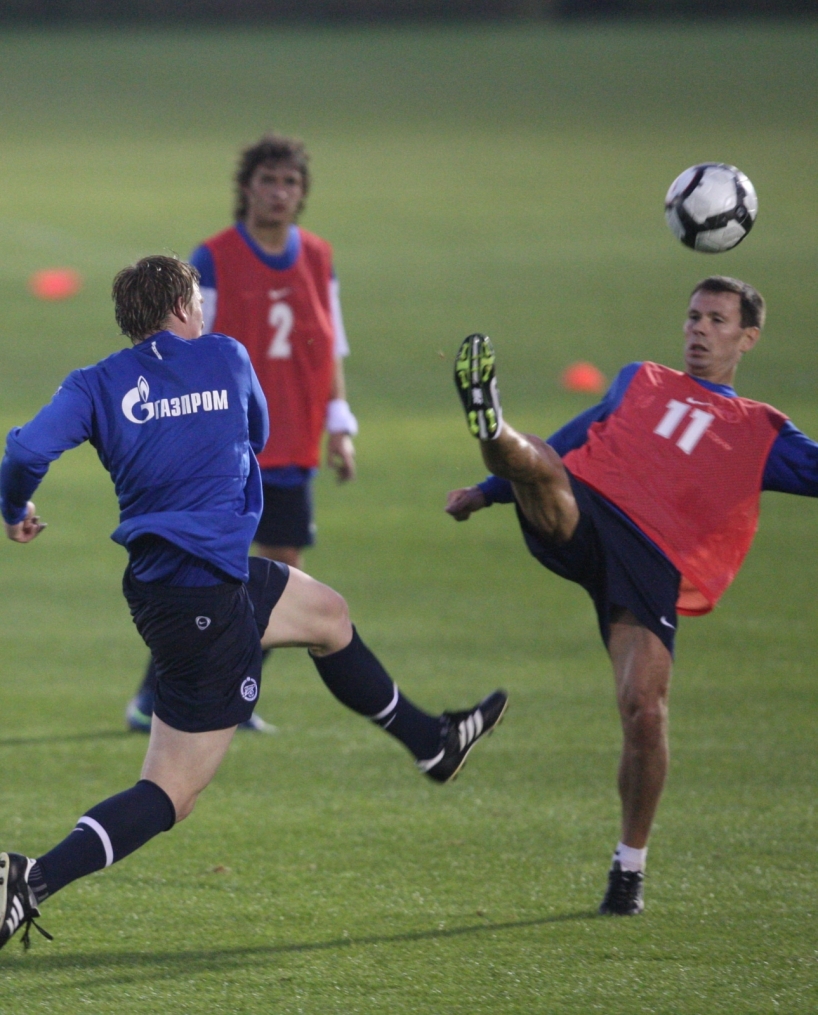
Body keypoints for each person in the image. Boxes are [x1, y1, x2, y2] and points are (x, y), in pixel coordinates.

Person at [0, 256, 507, 951]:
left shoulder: (95, 383)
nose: (203, 309)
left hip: (183, 583)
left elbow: (25, 448)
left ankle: (434, 745)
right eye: (197, 301)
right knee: (171, 792)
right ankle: (30, 880)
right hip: (202, 599)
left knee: (327, 613)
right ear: (182, 305)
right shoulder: (228, 356)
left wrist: (15, 505)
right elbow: (258, 433)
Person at [446, 276, 818, 915]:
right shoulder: (638, 379)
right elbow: (567, 439)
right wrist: (485, 492)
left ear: (747, 338)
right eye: (694, 316)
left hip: (653, 563)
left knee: (643, 710)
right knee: (536, 463)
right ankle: (491, 418)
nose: (700, 328)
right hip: (587, 510)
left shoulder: (764, 430)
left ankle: (629, 869)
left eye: (718, 320)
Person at [126, 133, 357, 733]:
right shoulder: (213, 258)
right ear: (247, 188)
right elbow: (182, 347)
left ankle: (223, 692)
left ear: (301, 193)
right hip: (229, 442)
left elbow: (331, 342)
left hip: (295, 435)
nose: (279, 193)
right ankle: (166, 697)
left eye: (290, 182)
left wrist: (340, 424)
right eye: (268, 180)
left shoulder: (319, 257)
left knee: (278, 570)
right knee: (217, 573)